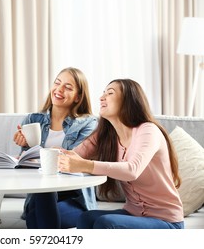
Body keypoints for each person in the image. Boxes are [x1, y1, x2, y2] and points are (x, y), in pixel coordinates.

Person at [59, 79, 184, 229]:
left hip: (167, 221)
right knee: (87, 218)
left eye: (110, 93)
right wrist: (39, 156)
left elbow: (132, 170)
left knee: (105, 223)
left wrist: (85, 165)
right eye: (103, 93)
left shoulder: (148, 130)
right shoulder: (106, 135)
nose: (101, 97)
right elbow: (72, 156)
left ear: (128, 101)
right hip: (133, 214)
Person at [13, 67, 98, 229]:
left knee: (35, 219)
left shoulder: (88, 123)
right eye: (57, 83)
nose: (59, 90)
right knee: (42, 195)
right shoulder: (32, 119)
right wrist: (25, 146)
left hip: (74, 196)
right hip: (39, 194)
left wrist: (37, 152)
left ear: (78, 97)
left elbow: (73, 159)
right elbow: (26, 165)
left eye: (68, 87)